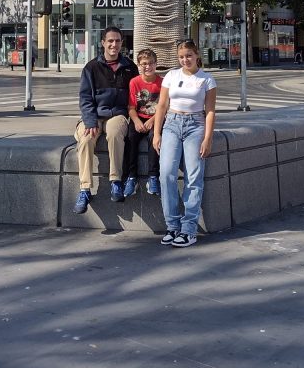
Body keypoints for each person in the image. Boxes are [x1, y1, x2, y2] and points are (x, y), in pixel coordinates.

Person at [153, 39, 217, 248]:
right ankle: (172, 225)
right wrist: (157, 133)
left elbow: (210, 111)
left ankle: (188, 229)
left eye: (189, 55)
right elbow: (162, 105)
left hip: (195, 125)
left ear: (197, 55)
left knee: (193, 176)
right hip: (172, 124)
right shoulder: (171, 76)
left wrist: (207, 138)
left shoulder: (207, 79)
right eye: (181, 57)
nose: (185, 60)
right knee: (166, 174)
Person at [72, 26, 138, 214]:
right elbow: (85, 97)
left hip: (117, 114)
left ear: (121, 43)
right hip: (94, 115)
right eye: (110, 41)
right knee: (86, 138)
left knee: (115, 133)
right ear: (103, 43)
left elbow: (136, 95)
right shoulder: (91, 67)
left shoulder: (130, 67)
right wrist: (90, 121)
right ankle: (85, 189)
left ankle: (116, 181)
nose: (113, 44)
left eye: (117, 41)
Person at [121, 48, 162, 198]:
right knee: (130, 138)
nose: (148, 66)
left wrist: (153, 120)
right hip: (138, 117)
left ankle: (153, 176)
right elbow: (131, 107)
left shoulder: (162, 82)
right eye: (144, 64)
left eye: (151, 63)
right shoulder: (135, 82)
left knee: (154, 138)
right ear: (139, 65)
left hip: (156, 117)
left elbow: (164, 107)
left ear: (156, 64)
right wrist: (137, 121)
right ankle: (131, 177)